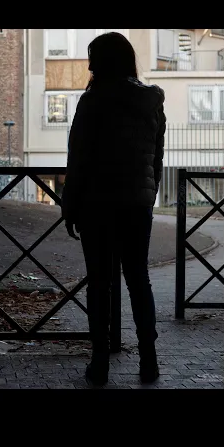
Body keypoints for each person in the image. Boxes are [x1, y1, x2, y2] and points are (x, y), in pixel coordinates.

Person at [61, 32, 166, 386]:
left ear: (103, 62)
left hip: (98, 204)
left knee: (100, 283)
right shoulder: (151, 102)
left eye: (93, 58)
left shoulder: (93, 102)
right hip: (137, 204)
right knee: (139, 280)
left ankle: (100, 361)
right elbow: (156, 158)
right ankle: (149, 360)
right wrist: (148, 196)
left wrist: (70, 203)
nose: (89, 65)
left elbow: (78, 158)